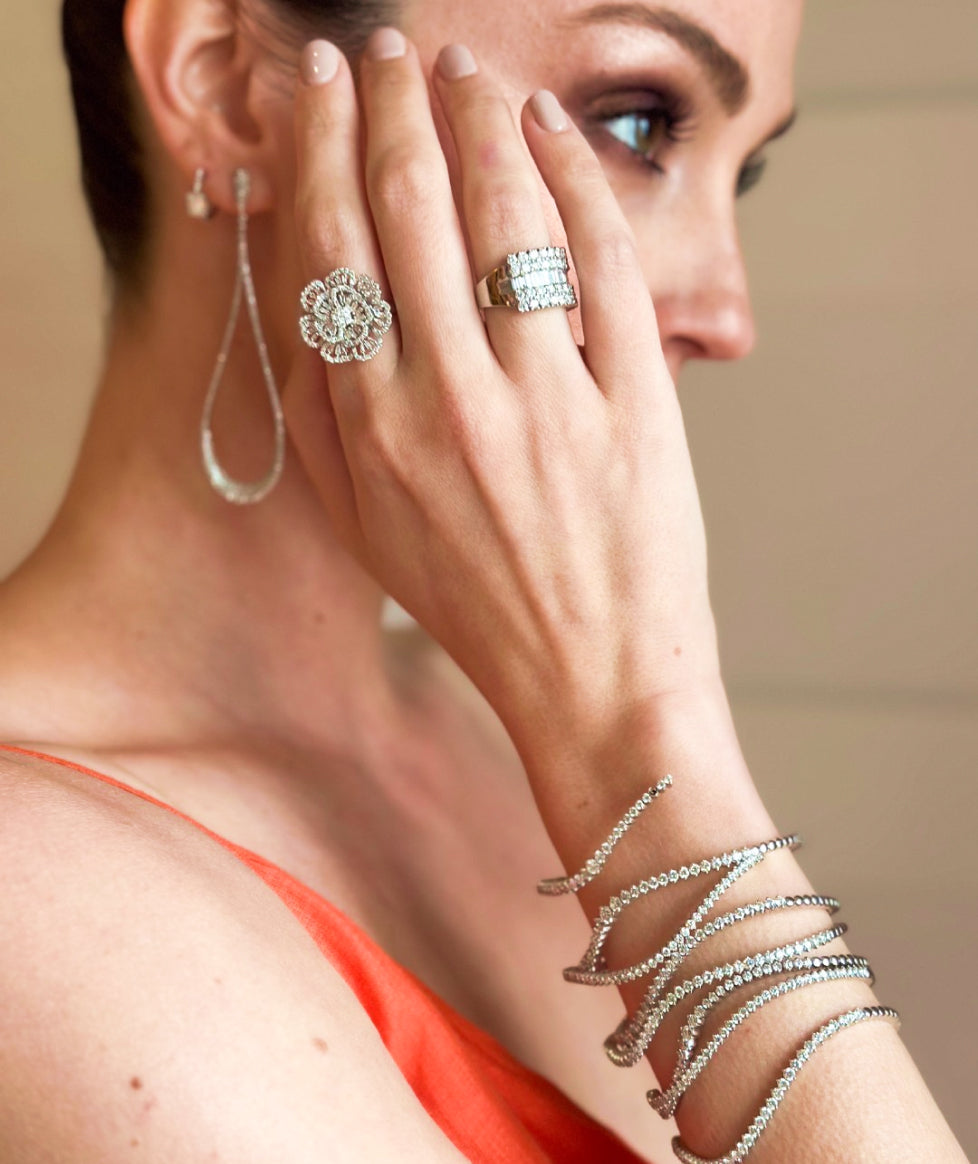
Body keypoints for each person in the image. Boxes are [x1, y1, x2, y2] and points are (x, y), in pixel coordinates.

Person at [0, 0, 966, 1160]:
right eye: (639, 122)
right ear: (221, 79)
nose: (728, 312)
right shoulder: (37, 899)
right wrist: (636, 729)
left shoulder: (480, 734)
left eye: (743, 172)